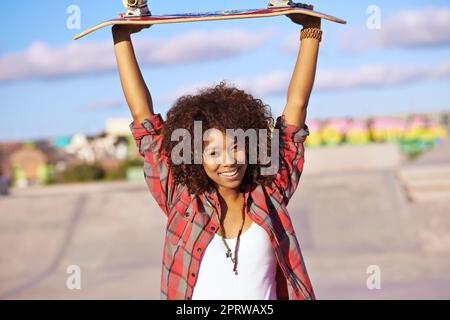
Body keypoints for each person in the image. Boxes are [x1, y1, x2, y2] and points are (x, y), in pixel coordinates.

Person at [112, 14, 322, 300]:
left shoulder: (270, 190)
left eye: (236, 146)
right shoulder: (182, 199)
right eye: (213, 152)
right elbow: (143, 118)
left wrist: (310, 32)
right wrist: (121, 35)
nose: (228, 161)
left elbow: (296, 108)